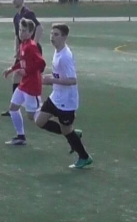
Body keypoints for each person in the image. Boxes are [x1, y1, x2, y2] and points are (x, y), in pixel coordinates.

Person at [34, 23, 93, 169]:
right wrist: (46, 79)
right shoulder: (58, 52)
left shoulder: (65, 56)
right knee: (39, 121)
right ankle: (72, 134)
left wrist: (52, 80)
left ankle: (84, 157)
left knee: (67, 130)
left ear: (64, 37)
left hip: (66, 102)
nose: (52, 37)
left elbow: (72, 80)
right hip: (56, 97)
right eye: (51, 34)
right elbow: (59, 75)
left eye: (56, 34)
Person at [3, 18, 46, 146]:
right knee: (13, 108)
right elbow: (22, 62)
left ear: (31, 32)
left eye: (24, 31)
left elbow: (41, 63)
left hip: (32, 85)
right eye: (20, 30)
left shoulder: (31, 46)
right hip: (23, 85)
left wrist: (26, 71)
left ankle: (67, 131)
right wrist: (11, 69)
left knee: (33, 116)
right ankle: (20, 137)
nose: (21, 33)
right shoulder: (23, 44)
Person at [3, 0, 42, 116]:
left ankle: (39, 106)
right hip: (23, 51)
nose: (14, 0)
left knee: (32, 77)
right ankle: (15, 107)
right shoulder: (16, 17)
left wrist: (33, 44)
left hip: (30, 51)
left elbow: (39, 28)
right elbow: (17, 36)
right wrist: (17, 50)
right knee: (17, 76)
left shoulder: (28, 14)